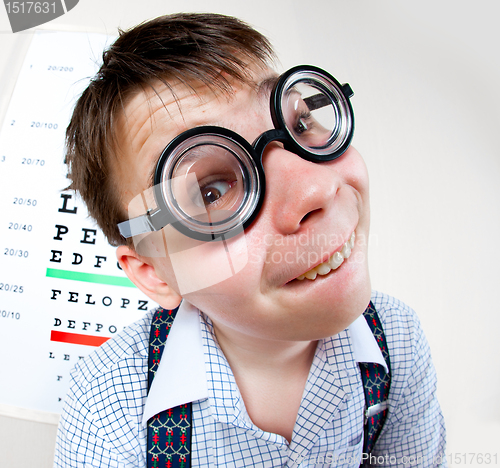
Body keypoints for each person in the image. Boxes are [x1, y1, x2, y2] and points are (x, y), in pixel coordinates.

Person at [53, 12, 446, 467]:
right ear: (154, 273)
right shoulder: (108, 409)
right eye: (211, 191)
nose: (314, 188)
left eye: (299, 125)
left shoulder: (397, 340)